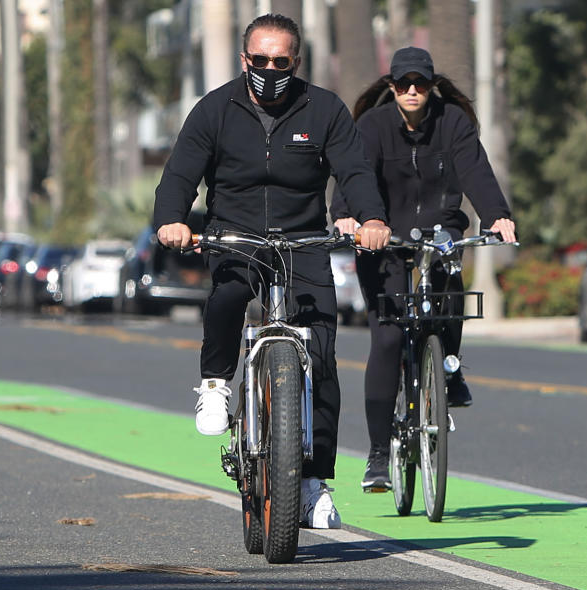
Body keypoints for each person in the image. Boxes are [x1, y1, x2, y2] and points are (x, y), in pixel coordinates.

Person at [152, 14, 391, 528]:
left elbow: (354, 169)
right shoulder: (215, 109)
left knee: (322, 355)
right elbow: (180, 173)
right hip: (235, 235)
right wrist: (171, 221)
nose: (269, 70)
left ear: (296, 62)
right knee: (227, 297)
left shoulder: (324, 109)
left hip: (303, 239)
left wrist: (372, 218)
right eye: (259, 60)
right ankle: (216, 382)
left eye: (280, 62)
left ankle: (311, 483)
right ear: (244, 60)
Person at [331, 47, 516, 491]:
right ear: (391, 87)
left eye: (419, 83)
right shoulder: (372, 127)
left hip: (440, 233)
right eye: (402, 84)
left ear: (432, 85)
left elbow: (476, 172)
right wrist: (347, 216)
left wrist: (497, 215)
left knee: (448, 300)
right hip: (383, 239)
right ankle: (378, 455)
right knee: (389, 338)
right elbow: (354, 175)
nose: (411, 91)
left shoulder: (452, 122)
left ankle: (448, 367)